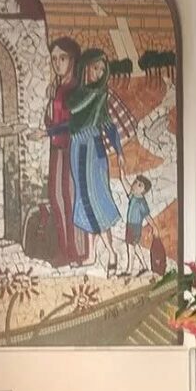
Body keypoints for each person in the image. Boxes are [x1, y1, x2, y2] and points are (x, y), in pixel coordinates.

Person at [65, 49, 125, 277]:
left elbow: (108, 125)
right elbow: (70, 125)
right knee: (83, 200)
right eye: (95, 67)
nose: (99, 73)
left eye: (102, 70)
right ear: (86, 67)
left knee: (97, 201)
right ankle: (91, 255)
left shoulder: (99, 95)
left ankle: (111, 253)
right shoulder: (75, 96)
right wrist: (46, 132)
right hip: (77, 149)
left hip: (93, 151)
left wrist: (119, 150)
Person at [36, 36, 88, 267]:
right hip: (57, 147)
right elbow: (51, 119)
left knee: (71, 197)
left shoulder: (76, 89)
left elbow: (73, 123)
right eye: (54, 59)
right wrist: (50, 103)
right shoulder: (58, 89)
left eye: (62, 58)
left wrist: (48, 132)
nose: (57, 63)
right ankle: (65, 249)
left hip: (72, 148)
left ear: (73, 60)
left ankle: (77, 251)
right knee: (56, 196)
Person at [121, 174, 156, 276]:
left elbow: (147, 216)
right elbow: (125, 183)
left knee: (131, 248)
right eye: (135, 182)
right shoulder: (133, 196)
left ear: (144, 191)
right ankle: (144, 266)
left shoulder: (142, 202)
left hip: (135, 227)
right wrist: (122, 174)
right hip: (130, 226)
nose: (136, 185)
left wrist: (154, 226)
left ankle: (129, 271)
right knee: (134, 247)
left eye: (140, 185)